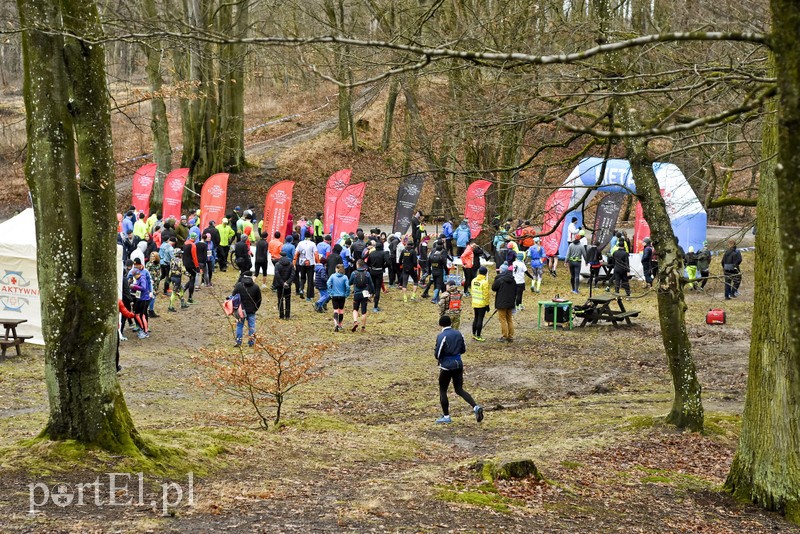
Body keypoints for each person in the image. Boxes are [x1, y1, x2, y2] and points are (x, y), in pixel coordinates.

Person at [434, 315, 484, 424]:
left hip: (446, 366)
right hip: (458, 364)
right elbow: (463, 349)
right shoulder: (459, 333)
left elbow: (437, 353)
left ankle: (446, 416)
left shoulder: (441, 336)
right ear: (450, 323)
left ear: (440, 324)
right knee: (459, 389)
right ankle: (475, 406)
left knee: (443, 390)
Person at [232, 271, 262, 347]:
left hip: (240, 310)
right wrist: (256, 308)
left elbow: (233, 296)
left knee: (239, 325)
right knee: (251, 326)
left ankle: (238, 341)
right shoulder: (256, 287)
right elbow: (259, 299)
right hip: (251, 310)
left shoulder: (239, 286)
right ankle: (251, 342)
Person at [492, 263, 517, 342]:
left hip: (501, 303)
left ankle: (504, 335)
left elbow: (493, 288)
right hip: (510, 302)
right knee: (509, 319)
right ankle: (510, 336)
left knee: (502, 319)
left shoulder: (499, 280)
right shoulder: (513, 280)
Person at [349, 260, 375, 332]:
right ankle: (363, 328)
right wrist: (373, 292)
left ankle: (355, 321)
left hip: (357, 293)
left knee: (355, 309)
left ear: (357, 265)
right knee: (364, 311)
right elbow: (371, 284)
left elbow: (349, 282)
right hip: (365, 293)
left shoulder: (354, 273)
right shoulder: (367, 273)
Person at [327, 264, 350, 332]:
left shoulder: (333, 276)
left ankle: (336, 324)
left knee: (335, 310)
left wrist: (330, 292)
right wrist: (347, 294)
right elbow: (348, 287)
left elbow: (328, 283)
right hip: (342, 296)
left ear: (337, 269)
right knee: (341, 311)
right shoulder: (345, 277)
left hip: (334, 295)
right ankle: (340, 324)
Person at [273, 251, 296, 319]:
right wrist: (287, 282)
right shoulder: (291, 264)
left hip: (279, 285)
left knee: (280, 300)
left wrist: (282, 283)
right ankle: (287, 315)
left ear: (280, 256)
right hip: (288, 285)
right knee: (288, 299)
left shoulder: (277, 264)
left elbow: (277, 275)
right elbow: (292, 274)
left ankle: (281, 315)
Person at [367, 241, 388, 312]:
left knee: (371, 286)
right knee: (378, 289)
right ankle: (375, 307)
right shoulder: (383, 253)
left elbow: (368, 263)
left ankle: (366, 301)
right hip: (379, 272)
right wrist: (383, 267)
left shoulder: (372, 253)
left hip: (372, 271)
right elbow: (388, 262)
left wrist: (371, 267)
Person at [182, 232, 200, 304]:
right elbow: (194, 257)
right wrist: (197, 266)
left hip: (185, 263)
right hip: (191, 264)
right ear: (195, 238)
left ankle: (182, 290)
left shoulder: (185, 243)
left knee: (190, 278)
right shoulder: (193, 245)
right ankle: (190, 298)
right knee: (192, 279)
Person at [146, 251, 161, 318]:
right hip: (150, 283)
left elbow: (159, 274)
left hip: (156, 283)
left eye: (154, 256)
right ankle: (150, 311)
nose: (152, 258)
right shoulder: (149, 264)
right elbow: (146, 274)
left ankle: (150, 310)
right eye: (151, 256)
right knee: (152, 297)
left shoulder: (158, 265)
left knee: (153, 297)